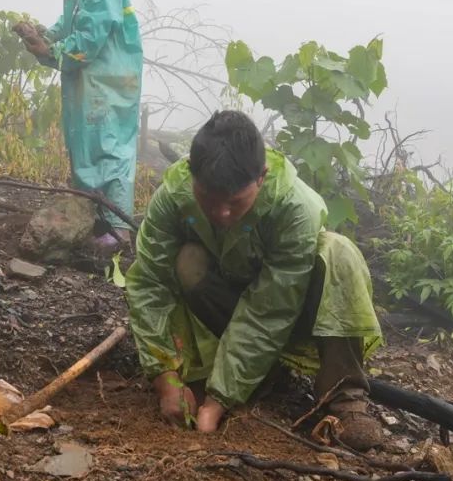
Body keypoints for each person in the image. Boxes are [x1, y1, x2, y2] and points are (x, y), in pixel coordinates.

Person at [123, 110, 384, 450]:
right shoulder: (173, 197)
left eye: (235, 202)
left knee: (339, 251)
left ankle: (345, 399)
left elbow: (269, 310)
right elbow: (149, 285)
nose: (221, 214)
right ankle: (242, 373)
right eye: (209, 201)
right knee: (188, 261)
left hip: (292, 315)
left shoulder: (295, 207)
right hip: (229, 312)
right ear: (191, 175)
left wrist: (218, 401)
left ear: (261, 177)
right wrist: (166, 380)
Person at [15, 0, 143, 255]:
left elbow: (88, 40)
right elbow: (65, 29)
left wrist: (51, 50)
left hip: (109, 89)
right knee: (86, 149)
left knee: (110, 152)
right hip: (90, 87)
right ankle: (93, 222)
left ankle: (117, 231)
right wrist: (41, 36)